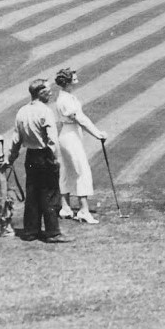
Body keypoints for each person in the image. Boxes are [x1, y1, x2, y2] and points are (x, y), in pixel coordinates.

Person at [8, 77, 67, 242]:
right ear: (41, 93)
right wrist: (56, 159)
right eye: (48, 91)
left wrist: (11, 158)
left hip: (31, 157)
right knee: (49, 193)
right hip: (45, 155)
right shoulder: (45, 111)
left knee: (32, 193)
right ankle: (53, 232)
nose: (50, 94)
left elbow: (16, 139)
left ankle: (30, 231)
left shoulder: (22, 111)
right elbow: (52, 140)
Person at [52, 66, 108, 223]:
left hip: (68, 135)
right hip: (70, 136)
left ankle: (65, 208)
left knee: (67, 170)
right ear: (68, 81)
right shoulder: (65, 99)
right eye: (74, 78)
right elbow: (81, 120)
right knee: (80, 170)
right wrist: (98, 134)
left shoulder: (67, 97)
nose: (78, 80)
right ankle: (83, 210)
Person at [0, 134, 18, 238]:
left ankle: (7, 225)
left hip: (4, 167)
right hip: (0, 168)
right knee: (2, 195)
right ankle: (5, 226)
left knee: (8, 194)